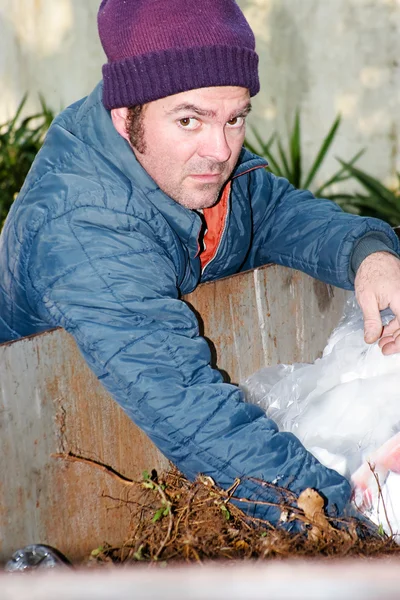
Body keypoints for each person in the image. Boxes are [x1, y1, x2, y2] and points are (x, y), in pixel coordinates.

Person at [1, 0, 400, 526]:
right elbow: (191, 413)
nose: (219, 150)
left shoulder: (184, 165)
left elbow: (275, 212)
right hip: (53, 493)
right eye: (190, 120)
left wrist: (368, 253)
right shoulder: (83, 227)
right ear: (125, 115)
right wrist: (352, 518)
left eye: (235, 118)